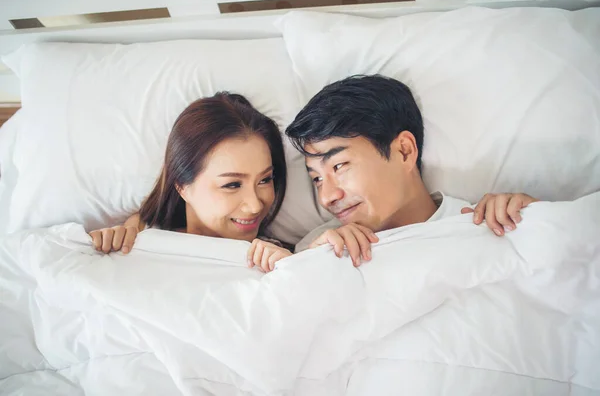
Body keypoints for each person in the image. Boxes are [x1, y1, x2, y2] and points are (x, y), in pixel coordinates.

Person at [286, 75, 538, 266]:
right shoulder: (319, 245)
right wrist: (312, 265)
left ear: (404, 151)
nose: (326, 197)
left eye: (339, 166)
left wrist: (536, 220)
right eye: (317, 178)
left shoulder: (484, 223)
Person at [89, 92, 292, 273]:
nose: (255, 205)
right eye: (232, 184)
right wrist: (104, 245)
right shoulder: (140, 238)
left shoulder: (278, 259)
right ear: (182, 186)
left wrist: (292, 270)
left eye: (265, 180)